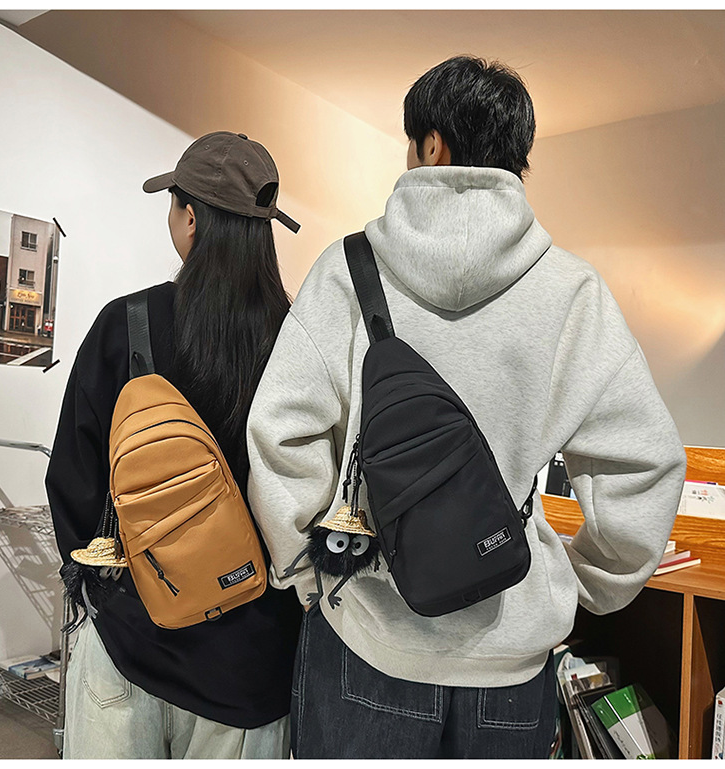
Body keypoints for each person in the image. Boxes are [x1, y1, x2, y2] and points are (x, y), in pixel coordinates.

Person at [245, 57, 687, 759]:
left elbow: (281, 434)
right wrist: (580, 584)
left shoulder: (346, 270)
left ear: (431, 145)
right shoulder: (572, 292)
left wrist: (308, 570)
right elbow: (645, 465)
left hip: (369, 643)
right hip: (511, 662)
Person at [46, 131, 303, 759]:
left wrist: (105, 595)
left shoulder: (126, 324)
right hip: (250, 662)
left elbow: (73, 481)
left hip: (132, 640)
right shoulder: (300, 340)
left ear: (190, 218)